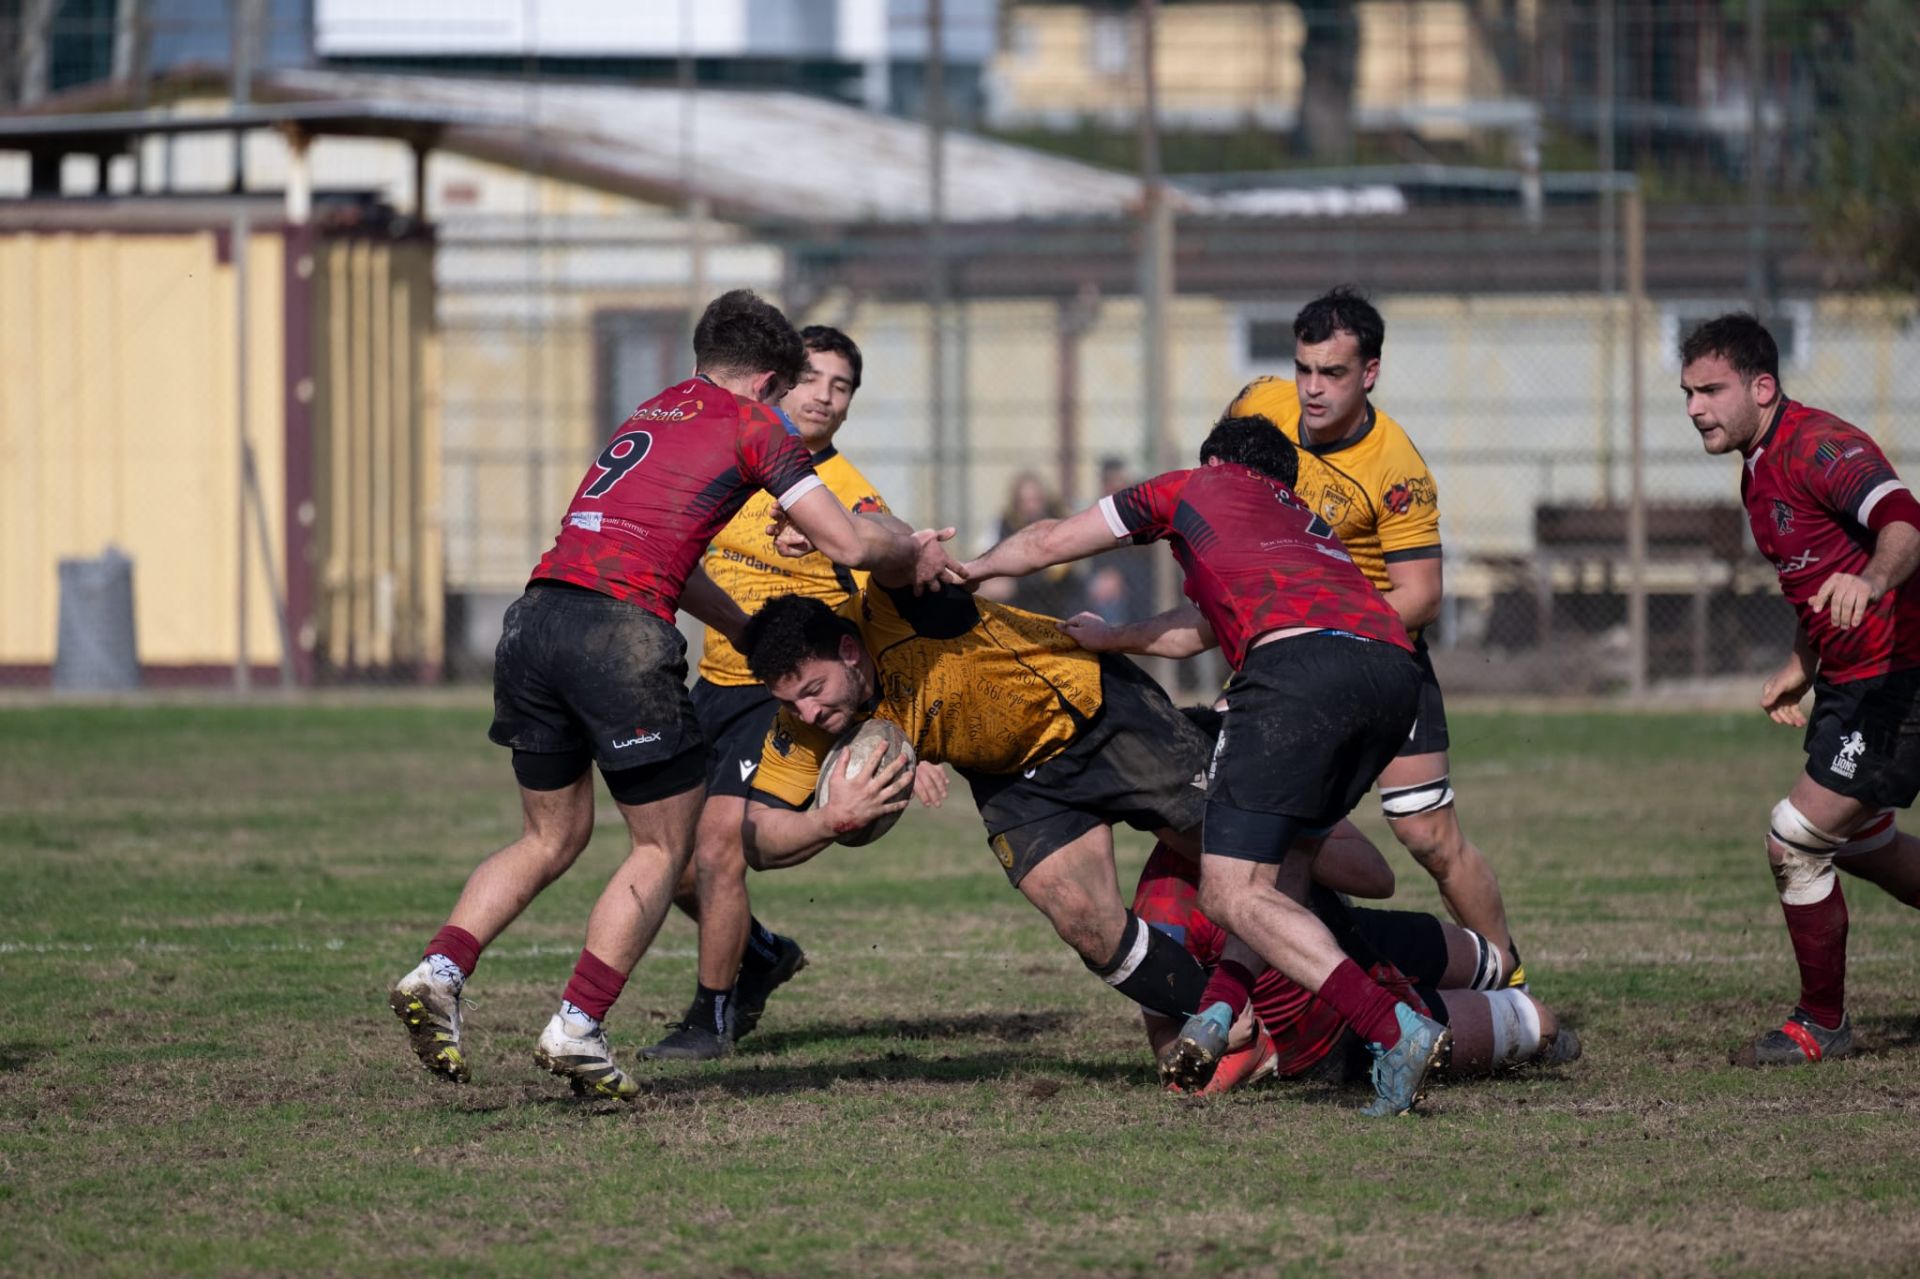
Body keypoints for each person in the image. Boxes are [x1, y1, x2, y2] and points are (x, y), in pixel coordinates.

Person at [386, 290, 957, 1098]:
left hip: (534, 619)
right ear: (766, 379)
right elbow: (852, 540)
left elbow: (673, 557)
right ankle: (578, 1025)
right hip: (616, 636)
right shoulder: (757, 425)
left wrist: (750, 629)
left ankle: (440, 968)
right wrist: (914, 545)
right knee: (666, 847)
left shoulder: (650, 412)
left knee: (549, 835)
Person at [963, 415, 1451, 1116]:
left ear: (1218, 460)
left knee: (1226, 893)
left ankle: (1394, 1029)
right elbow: (1199, 627)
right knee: (1283, 871)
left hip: (1295, 676)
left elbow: (1050, 540)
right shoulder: (1298, 521)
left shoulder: (1194, 486)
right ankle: (1222, 1008)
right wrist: (1114, 636)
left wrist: (975, 568)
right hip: (1391, 671)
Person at [734, 578, 1229, 1025]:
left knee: (1250, 858)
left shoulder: (892, 609)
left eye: (814, 690)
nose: (808, 712)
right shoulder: (804, 722)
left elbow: (890, 553)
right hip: (1011, 778)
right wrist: (830, 820)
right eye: (790, 702)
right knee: (1086, 925)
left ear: (848, 651)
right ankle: (1230, 1024)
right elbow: (758, 839)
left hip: (1093, 711)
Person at [644, 325, 939, 1061]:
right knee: (669, 862)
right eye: (812, 378)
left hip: (787, 700)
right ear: (776, 380)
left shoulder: (838, 489)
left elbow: (884, 531)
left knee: (718, 848)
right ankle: (764, 954)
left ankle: (711, 1018)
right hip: (709, 681)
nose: (824, 396)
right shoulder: (731, 464)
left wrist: (852, 537)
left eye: (841, 387)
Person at [1222, 287, 1522, 983]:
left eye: (1332, 373)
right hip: (1286, 662)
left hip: (1381, 660)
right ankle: (1274, 978)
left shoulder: (1398, 470)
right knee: (1269, 833)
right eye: (1304, 369)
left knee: (1429, 835)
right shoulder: (1259, 404)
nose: (1313, 388)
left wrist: (1319, 625)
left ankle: (1508, 975)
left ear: (1371, 372)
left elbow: (1420, 596)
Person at [1681, 312, 1920, 1066]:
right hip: (1851, 680)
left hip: (1898, 675)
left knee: (1796, 838)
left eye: (1711, 390)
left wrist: (1874, 577)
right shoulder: (1756, 465)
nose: (1695, 408)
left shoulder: (1818, 445)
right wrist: (1803, 663)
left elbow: (1904, 520)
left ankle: (1822, 1021)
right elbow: (1811, 576)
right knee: (1859, 843)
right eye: (1687, 392)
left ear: (1762, 385)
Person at [1131, 840, 1578, 1096]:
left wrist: (1295, 841)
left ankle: (1496, 990)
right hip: (1333, 1032)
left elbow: (1378, 879)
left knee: (1494, 962)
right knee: (1538, 1022)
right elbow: (1166, 1047)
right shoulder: (1165, 905)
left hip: (1358, 937)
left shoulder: (1264, 798)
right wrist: (1223, 1046)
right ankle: (1523, 1038)